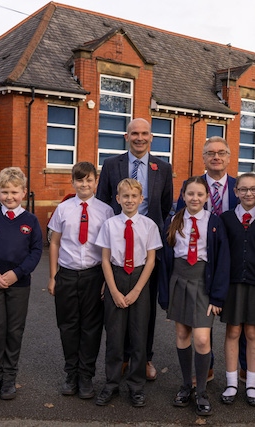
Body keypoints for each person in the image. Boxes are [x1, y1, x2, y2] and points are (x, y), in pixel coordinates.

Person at [176, 136, 255, 390]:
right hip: (200, 263)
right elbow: (178, 220)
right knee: (201, 322)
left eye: (221, 152)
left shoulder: (239, 186)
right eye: (210, 153)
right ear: (203, 157)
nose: (216, 157)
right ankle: (206, 367)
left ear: (229, 157)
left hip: (235, 266)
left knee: (239, 322)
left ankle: (245, 369)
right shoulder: (191, 186)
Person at [96, 117, 173, 381]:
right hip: (117, 247)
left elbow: (164, 206)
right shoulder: (110, 165)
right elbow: (103, 202)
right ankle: (123, 359)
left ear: (151, 137)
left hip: (147, 247)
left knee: (144, 308)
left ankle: (145, 358)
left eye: (144, 134)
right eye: (134, 133)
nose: (140, 138)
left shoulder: (163, 167)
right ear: (126, 137)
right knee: (117, 308)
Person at [159, 176, 230, 416]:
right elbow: (165, 260)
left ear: (207, 197)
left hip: (202, 283)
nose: (195, 198)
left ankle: (201, 391)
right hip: (179, 279)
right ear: (183, 195)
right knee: (182, 333)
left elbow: (222, 261)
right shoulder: (173, 220)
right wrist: (165, 293)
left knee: (201, 338)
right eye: (190, 194)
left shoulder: (214, 222)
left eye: (200, 194)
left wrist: (217, 297)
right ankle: (185, 386)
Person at [0, 167, 43, 400]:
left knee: (14, 332)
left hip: (19, 285)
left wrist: (18, 273)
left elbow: (35, 252)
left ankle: (9, 379)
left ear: (23, 192)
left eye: (14, 192)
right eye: (4, 192)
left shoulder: (31, 221)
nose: (9, 197)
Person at [47, 162, 114, 400]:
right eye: (79, 180)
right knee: (68, 326)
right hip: (66, 274)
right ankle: (71, 374)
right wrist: (53, 275)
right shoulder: (63, 209)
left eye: (89, 180)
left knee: (91, 328)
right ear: (72, 182)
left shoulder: (106, 211)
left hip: (94, 275)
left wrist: (108, 279)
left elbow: (109, 247)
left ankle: (86, 376)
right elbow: (54, 242)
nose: (84, 184)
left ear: (96, 182)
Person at [94, 178, 163, 407]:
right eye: (125, 196)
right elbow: (105, 259)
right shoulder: (110, 225)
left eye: (134, 196)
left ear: (141, 199)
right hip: (116, 276)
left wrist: (136, 291)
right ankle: (111, 383)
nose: (130, 200)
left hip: (139, 281)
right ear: (118, 199)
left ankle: (136, 386)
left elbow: (151, 261)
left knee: (138, 336)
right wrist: (113, 290)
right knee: (114, 336)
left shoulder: (149, 225)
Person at [219, 173, 255, 407]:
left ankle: (250, 382)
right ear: (235, 192)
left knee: (252, 333)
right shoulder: (226, 219)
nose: (248, 193)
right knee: (232, 332)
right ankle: (231, 382)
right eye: (243, 189)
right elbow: (220, 256)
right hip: (232, 285)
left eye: (253, 189)